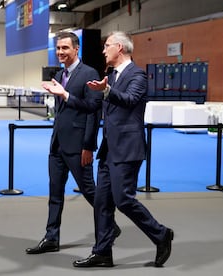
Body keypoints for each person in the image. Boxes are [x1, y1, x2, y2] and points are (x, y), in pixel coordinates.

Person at [42, 31, 173, 268]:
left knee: (123, 200)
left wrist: (106, 91)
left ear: (119, 48)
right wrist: (71, 94)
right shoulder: (109, 75)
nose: (103, 50)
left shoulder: (138, 75)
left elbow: (130, 100)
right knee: (102, 202)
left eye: (107, 46)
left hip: (127, 149)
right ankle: (102, 252)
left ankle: (161, 234)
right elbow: (93, 108)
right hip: (109, 149)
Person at [25, 31, 120, 255]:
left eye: (65, 48)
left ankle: (109, 228)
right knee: (54, 194)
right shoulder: (60, 74)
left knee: (89, 191)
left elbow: (93, 111)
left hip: (78, 147)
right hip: (57, 144)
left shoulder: (89, 73)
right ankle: (51, 237)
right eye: (58, 48)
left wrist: (88, 146)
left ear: (76, 49)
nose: (60, 52)